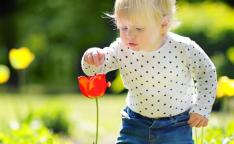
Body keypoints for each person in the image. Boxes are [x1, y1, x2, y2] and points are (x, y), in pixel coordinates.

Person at [81, 0, 217, 143]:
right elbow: (93, 70)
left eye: (139, 29)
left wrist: (202, 107)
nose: (130, 35)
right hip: (135, 123)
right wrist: (91, 57)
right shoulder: (121, 48)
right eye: (124, 27)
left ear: (163, 25)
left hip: (176, 125)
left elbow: (206, 72)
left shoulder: (183, 47)